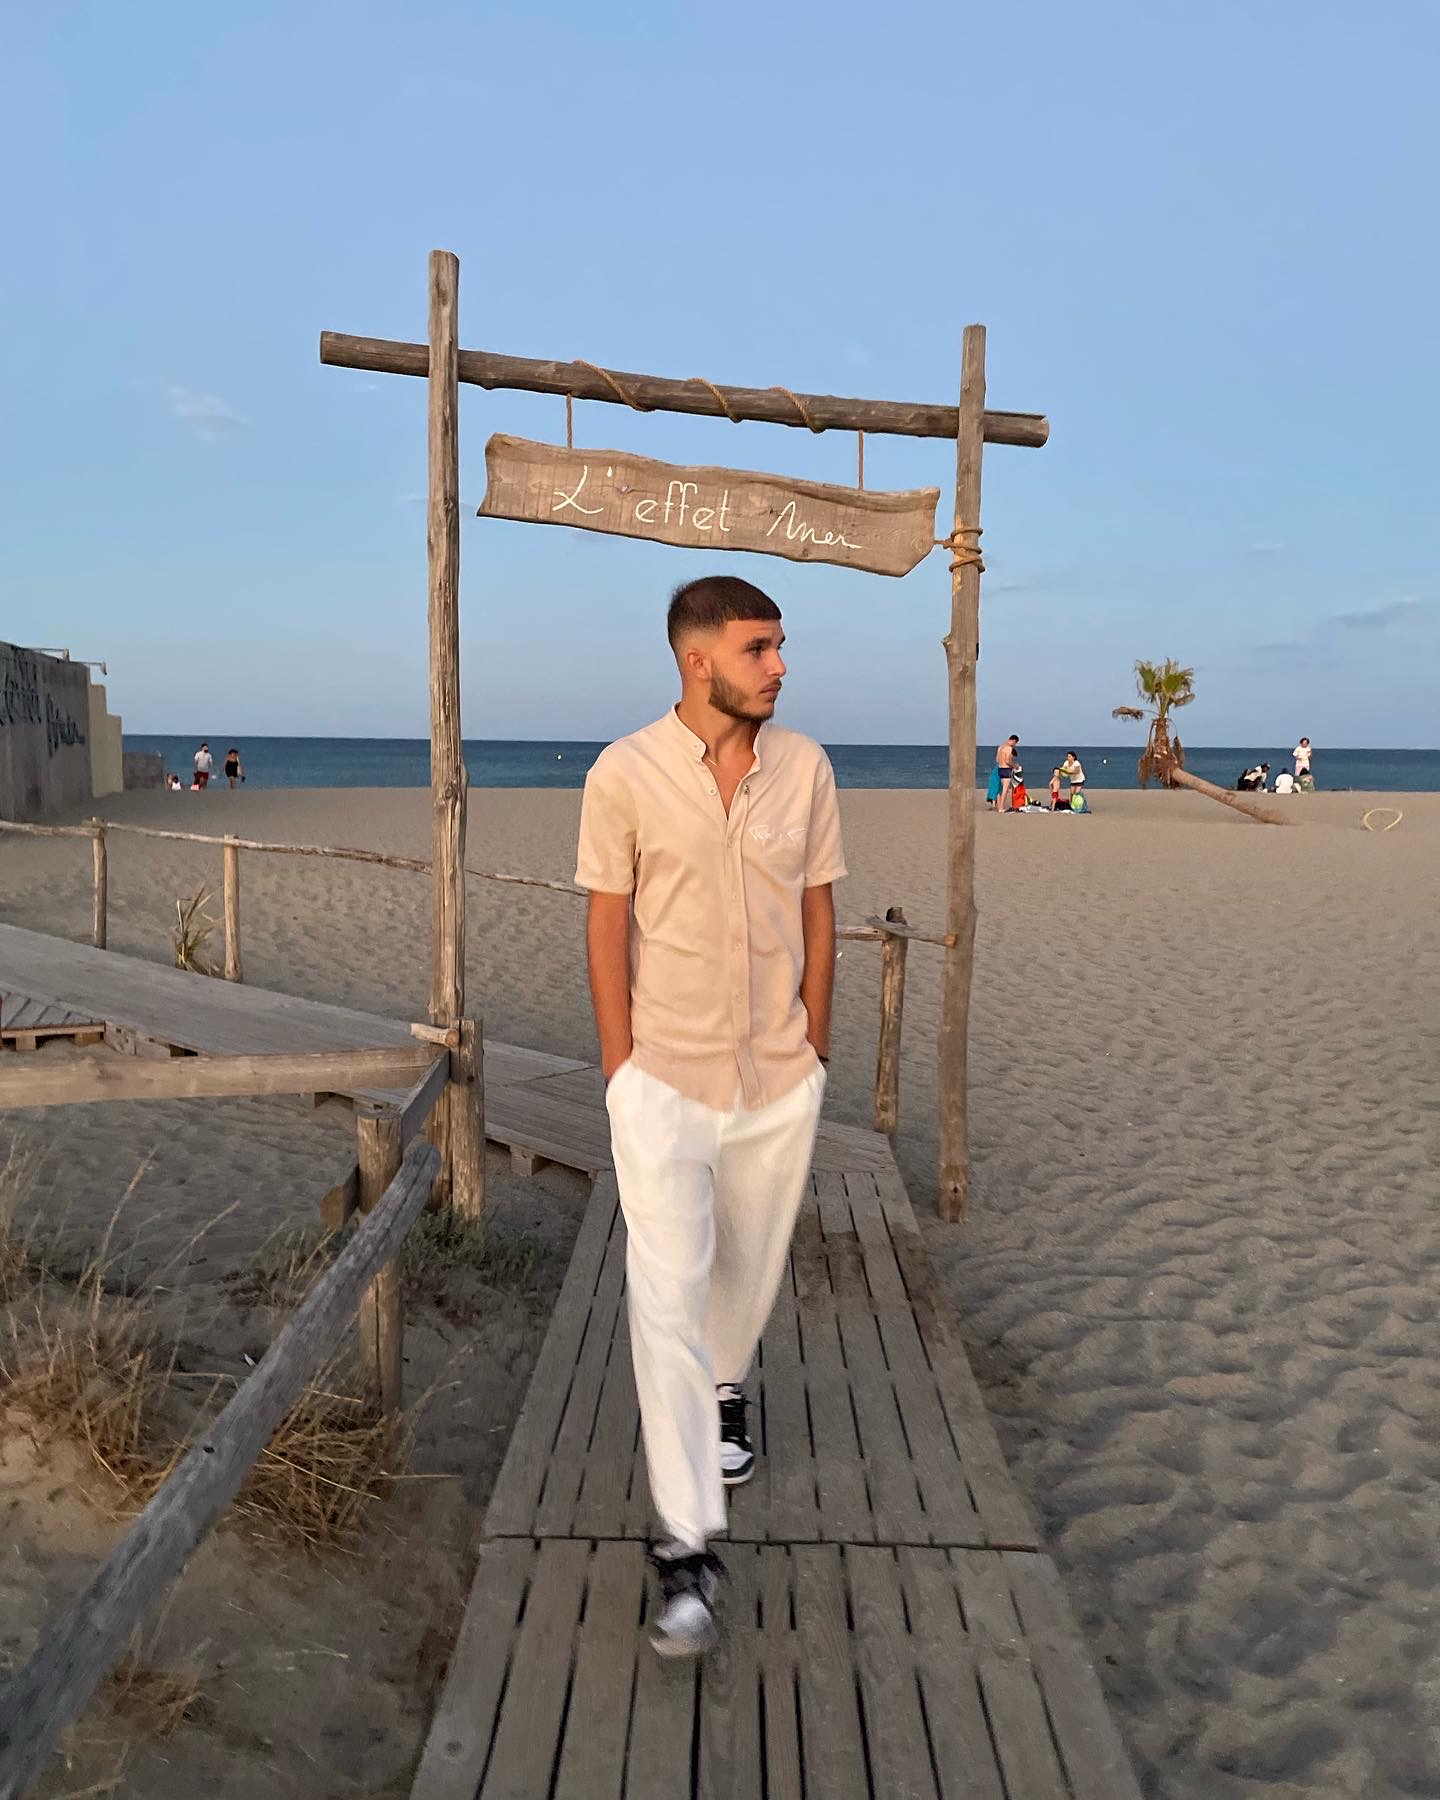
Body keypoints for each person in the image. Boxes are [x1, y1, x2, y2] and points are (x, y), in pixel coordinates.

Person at [576, 575, 843, 1659]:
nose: (780, 666)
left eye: (779, 646)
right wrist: (620, 1070)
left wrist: (815, 1044)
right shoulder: (623, 772)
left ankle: (725, 1387)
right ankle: (686, 1545)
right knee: (665, 1296)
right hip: (665, 1082)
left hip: (778, 1077)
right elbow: (607, 924)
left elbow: (819, 909)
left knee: (747, 1271)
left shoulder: (807, 769)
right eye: (759, 648)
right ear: (699, 660)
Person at [993, 735, 1019, 813]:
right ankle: (1001, 808)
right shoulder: (1009, 748)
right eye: (1015, 743)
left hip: (1000, 769)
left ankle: (999, 806)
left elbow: (997, 760)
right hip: (1006, 769)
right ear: (1014, 741)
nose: (1015, 745)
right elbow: (1007, 761)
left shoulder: (1000, 747)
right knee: (1005, 790)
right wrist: (1015, 766)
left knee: (1000, 790)